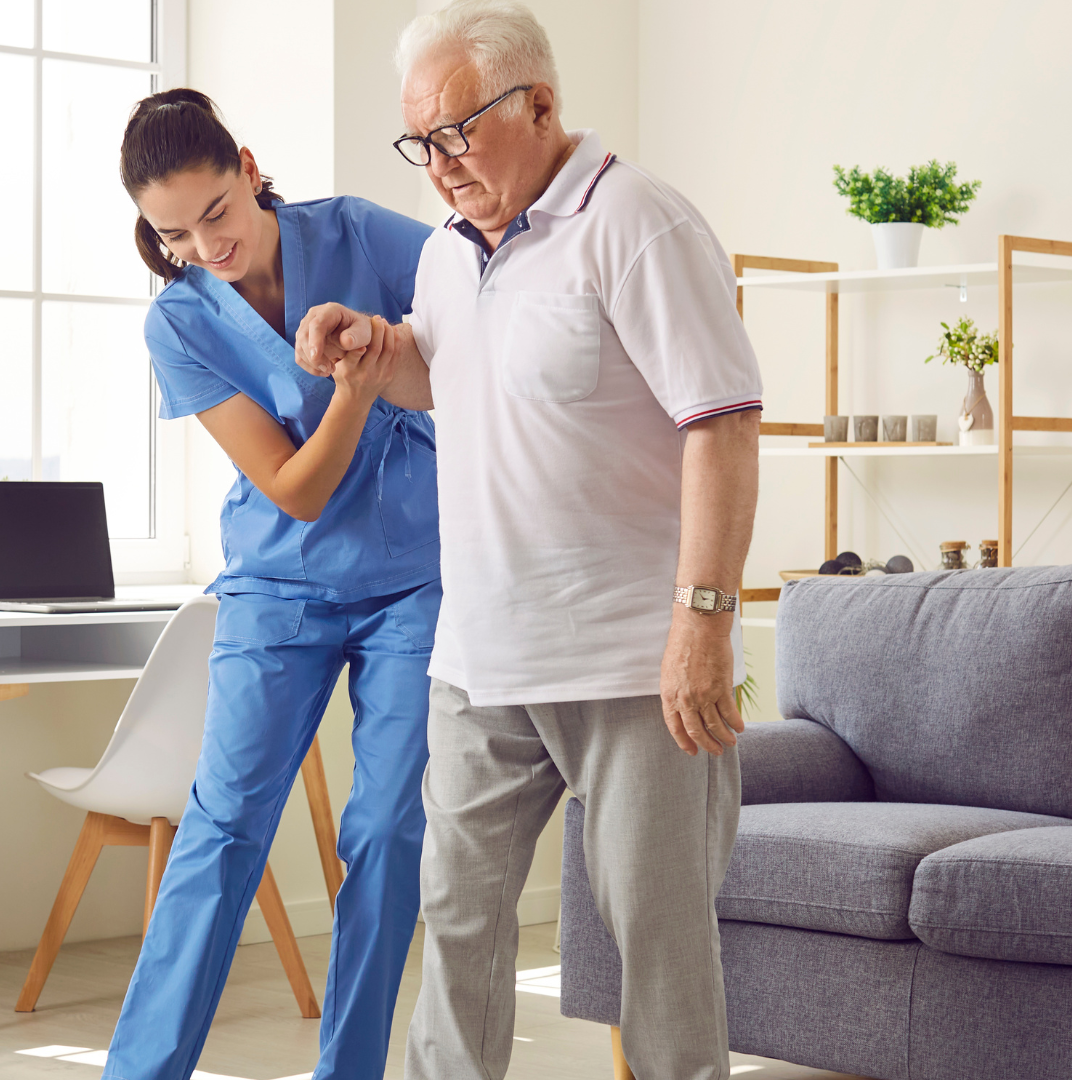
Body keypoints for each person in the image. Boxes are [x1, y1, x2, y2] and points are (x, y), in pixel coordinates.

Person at [294, 3, 763, 1077]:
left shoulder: (639, 224)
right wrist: (375, 345)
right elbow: (446, 371)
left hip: (634, 669)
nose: (440, 166)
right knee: (456, 933)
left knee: (659, 957)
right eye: (420, 144)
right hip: (480, 664)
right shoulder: (450, 255)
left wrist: (703, 627)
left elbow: (724, 425)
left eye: (455, 134)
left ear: (539, 103)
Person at [103, 89, 439, 1080]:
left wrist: (394, 351)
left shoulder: (356, 231)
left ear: (249, 168)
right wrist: (361, 382)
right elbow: (294, 489)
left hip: (416, 580)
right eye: (173, 233)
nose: (205, 245)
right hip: (277, 589)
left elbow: (479, 291)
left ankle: (350, 1072)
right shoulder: (179, 323)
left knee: (385, 830)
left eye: (216, 213)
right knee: (222, 830)